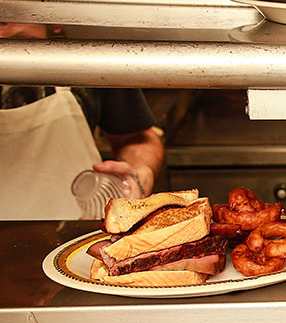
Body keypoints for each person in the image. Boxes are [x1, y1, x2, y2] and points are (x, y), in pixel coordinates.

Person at [0, 22, 165, 220]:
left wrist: (138, 175)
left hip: (80, 233)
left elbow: (136, 139)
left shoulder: (84, 61)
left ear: (55, 19)